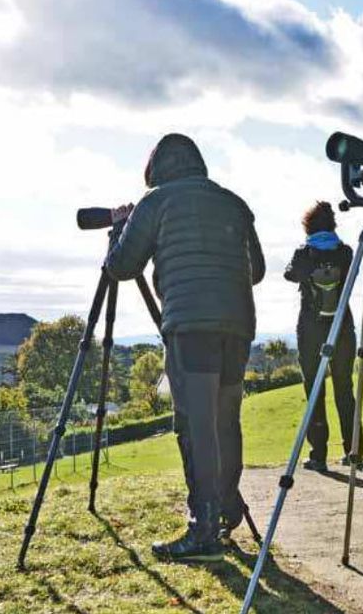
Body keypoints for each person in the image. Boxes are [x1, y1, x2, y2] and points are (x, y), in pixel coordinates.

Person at [105, 133, 265, 563]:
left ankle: (203, 528)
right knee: (225, 421)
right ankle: (227, 509)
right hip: (238, 325)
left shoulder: (154, 203)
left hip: (191, 327)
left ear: (156, 169)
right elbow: (259, 271)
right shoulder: (233, 202)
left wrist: (120, 229)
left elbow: (122, 266)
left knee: (196, 426)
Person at [284, 201, 359, 473]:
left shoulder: (304, 254)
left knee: (314, 390)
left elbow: (290, 274)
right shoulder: (347, 252)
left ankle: (318, 455)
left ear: (308, 226)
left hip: (311, 328)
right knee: (345, 389)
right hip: (342, 326)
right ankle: (354, 451)